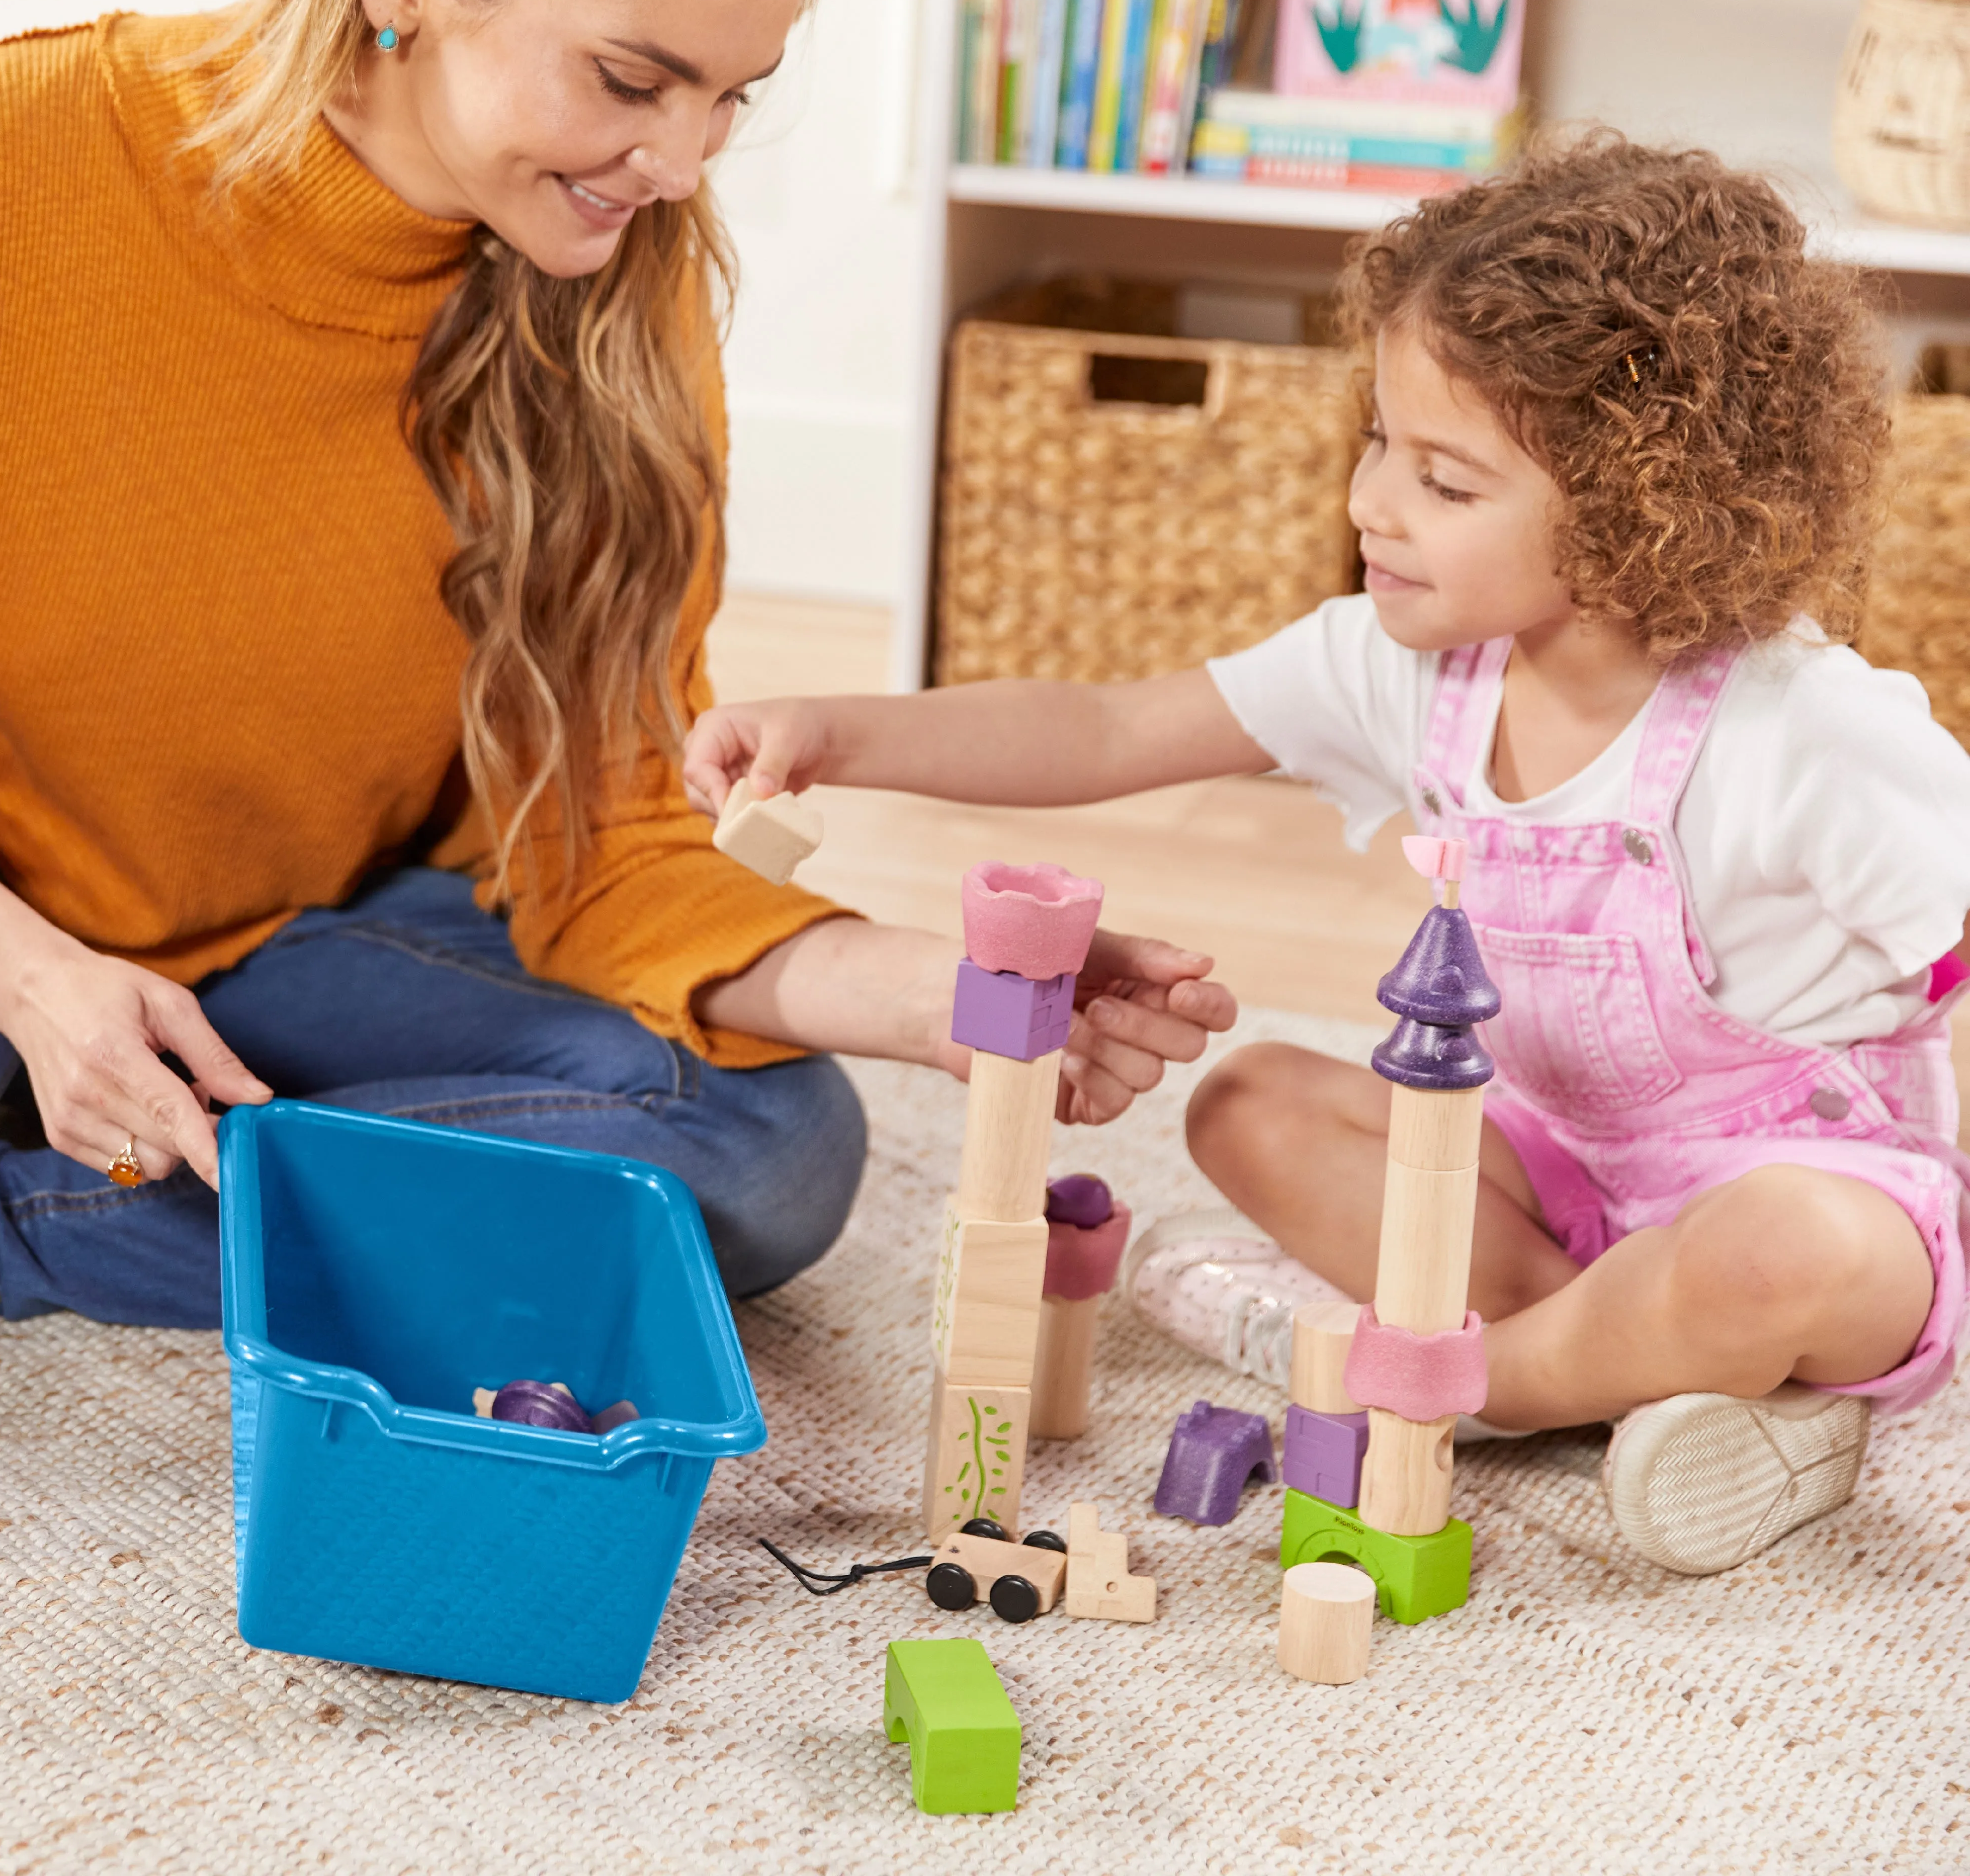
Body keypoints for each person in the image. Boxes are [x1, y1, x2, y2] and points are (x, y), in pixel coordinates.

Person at [0, 0, 1234, 1329]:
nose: (681, 164)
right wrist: (40, 986)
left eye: (731, 99)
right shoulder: (3, 163)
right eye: (635, 80)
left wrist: (965, 1001)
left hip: (275, 941)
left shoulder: (620, 284)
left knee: (768, 1149)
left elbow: (612, 833)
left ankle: (8, 1226)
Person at [685, 136, 1970, 1573]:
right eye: (1377, 442)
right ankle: (1645, 1375)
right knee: (1248, 1103)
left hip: (1806, 1191)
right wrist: (835, 734)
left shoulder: (1810, 734)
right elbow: (1110, 730)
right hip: (1560, 1179)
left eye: (1444, 480)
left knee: (1788, 1251)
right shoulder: (1407, 667)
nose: (1371, 503)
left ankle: (1489, 1383)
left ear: (1635, 507)